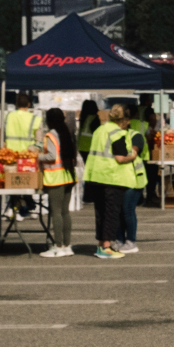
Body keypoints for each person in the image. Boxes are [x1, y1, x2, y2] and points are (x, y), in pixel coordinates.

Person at [85, 105, 139, 260]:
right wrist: (133, 155)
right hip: (112, 177)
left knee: (101, 213)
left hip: (96, 176)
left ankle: (101, 245)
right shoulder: (117, 132)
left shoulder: (100, 130)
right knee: (111, 213)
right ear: (123, 120)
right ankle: (106, 247)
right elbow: (120, 157)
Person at [37, 108, 78, 258]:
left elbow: (52, 155)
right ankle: (67, 246)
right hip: (69, 176)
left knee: (56, 212)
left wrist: (37, 157)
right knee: (65, 212)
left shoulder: (51, 135)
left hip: (56, 178)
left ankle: (57, 246)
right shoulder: (67, 133)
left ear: (49, 120)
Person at [120, 109, 151, 253]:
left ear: (127, 122)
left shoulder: (135, 136)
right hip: (121, 179)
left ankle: (131, 241)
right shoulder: (115, 136)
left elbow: (133, 154)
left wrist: (119, 158)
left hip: (135, 180)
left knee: (128, 210)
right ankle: (120, 240)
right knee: (121, 210)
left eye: (121, 121)